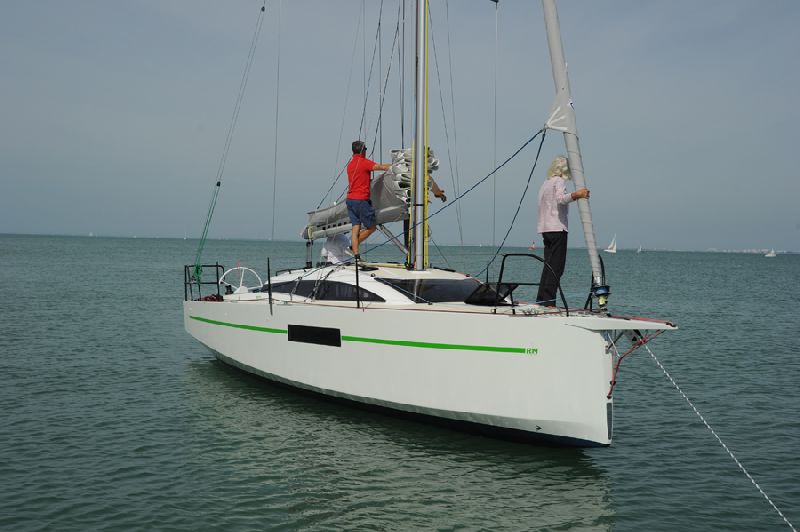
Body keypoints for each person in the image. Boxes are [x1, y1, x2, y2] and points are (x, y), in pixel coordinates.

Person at [535, 155, 590, 306]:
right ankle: (549, 301)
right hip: (557, 227)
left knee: (548, 265)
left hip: (545, 228)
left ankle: (542, 298)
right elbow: (561, 199)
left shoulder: (545, 183)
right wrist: (577, 194)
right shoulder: (559, 181)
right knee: (556, 267)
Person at [346, 140, 391, 259]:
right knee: (371, 227)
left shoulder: (350, 165)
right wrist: (397, 166)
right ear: (362, 150)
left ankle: (356, 254)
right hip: (361, 200)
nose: (366, 151)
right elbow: (381, 167)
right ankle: (352, 246)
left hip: (350, 200)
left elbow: (360, 178)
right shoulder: (363, 162)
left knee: (355, 228)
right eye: (365, 149)